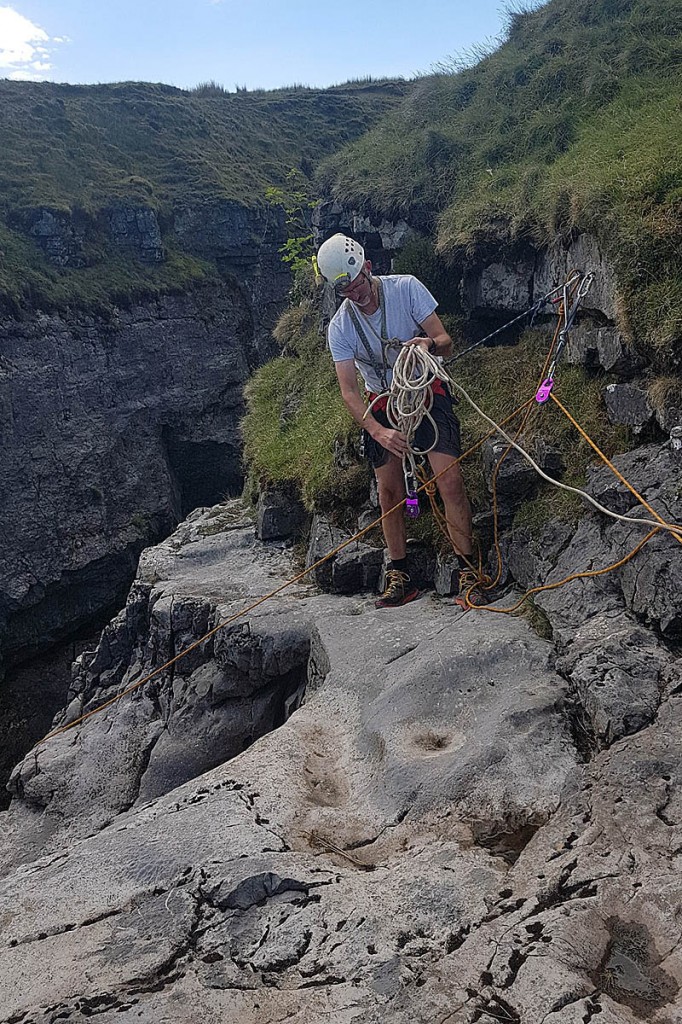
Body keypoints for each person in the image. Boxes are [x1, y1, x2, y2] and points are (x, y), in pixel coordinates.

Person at [316, 232, 475, 608]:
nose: (356, 296)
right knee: (389, 493)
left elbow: (445, 339)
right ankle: (399, 572)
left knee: (449, 480)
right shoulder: (340, 327)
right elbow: (349, 392)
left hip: (424, 390)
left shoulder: (406, 288)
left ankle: (466, 568)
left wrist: (428, 345)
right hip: (383, 404)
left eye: (357, 286)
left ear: (368, 269)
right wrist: (379, 431)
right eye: (346, 293)